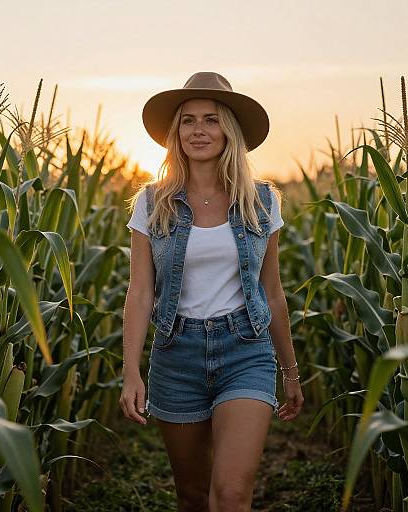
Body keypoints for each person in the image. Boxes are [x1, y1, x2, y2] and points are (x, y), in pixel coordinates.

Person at [119, 71, 304, 512]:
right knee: (194, 496)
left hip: (246, 350)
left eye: (211, 119)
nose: (198, 130)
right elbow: (140, 293)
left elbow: (272, 292)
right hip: (176, 353)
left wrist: (290, 371)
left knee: (232, 494)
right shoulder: (151, 202)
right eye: (187, 120)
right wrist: (130, 372)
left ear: (230, 131)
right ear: (174, 133)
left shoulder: (261, 201)